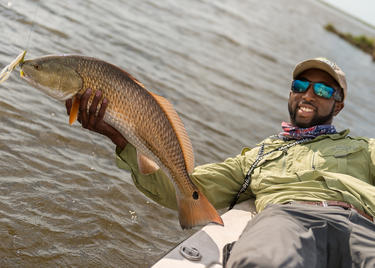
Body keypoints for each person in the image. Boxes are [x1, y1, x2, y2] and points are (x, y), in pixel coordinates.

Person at [66, 57, 375, 268]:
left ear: (339, 104)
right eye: (300, 85)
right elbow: (185, 188)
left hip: (365, 223)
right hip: (288, 219)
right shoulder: (260, 156)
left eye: (322, 89)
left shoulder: (363, 148)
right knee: (260, 261)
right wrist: (123, 140)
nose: (308, 94)